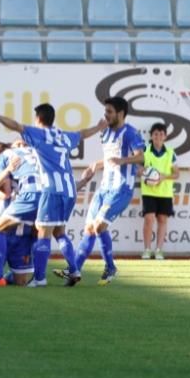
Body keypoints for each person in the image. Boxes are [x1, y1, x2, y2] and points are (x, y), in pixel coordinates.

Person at [0, 104, 106, 287]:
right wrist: (99, 127)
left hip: (50, 189)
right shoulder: (62, 136)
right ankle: (74, 269)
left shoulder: (37, 136)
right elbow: (83, 133)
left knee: (36, 231)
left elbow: (15, 125)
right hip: (69, 189)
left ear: (38, 118)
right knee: (58, 231)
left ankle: (36, 278)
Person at [54, 97, 144, 285]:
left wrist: (122, 161)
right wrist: (96, 164)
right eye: (105, 111)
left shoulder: (131, 133)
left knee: (99, 226)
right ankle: (75, 270)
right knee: (88, 229)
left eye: (109, 112)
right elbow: (110, 158)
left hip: (121, 188)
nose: (106, 115)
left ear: (120, 113)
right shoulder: (105, 133)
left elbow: (140, 157)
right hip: (104, 187)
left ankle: (110, 267)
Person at [0, 139, 40, 287]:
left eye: (25, 145)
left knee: (21, 282)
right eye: (18, 145)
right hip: (7, 223)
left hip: (23, 230)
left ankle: (4, 277)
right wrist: (7, 175)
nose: (22, 148)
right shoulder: (8, 168)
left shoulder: (33, 168)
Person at [141, 122, 180, 260]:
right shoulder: (145, 150)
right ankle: (146, 249)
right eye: (156, 134)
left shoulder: (170, 153)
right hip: (149, 191)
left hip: (165, 192)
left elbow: (176, 174)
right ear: (151, 136)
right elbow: (137, 168)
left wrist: (164, 176)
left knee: (162, 220)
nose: (158, 136)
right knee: (149, 219)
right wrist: (146, 173)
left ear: (165, 136)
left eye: (161, 134)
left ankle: (158, 250)